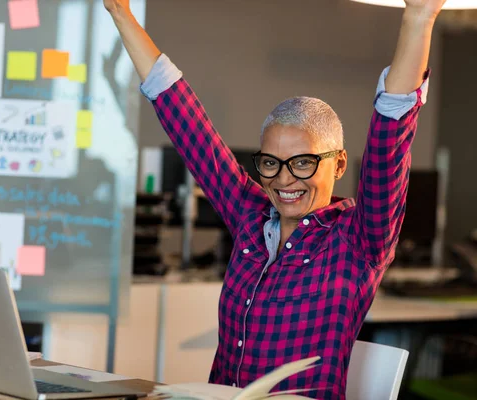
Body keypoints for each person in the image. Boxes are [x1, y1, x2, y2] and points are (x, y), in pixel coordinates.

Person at [103, 0, 447, 398]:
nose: (284, 179)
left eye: (303, 163)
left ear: (338, 165)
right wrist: (120, 12)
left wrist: (419, 16)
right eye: (271, 162)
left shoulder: (359, 240)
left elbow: (390, 137)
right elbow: (186, 122)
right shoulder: (251, 219)